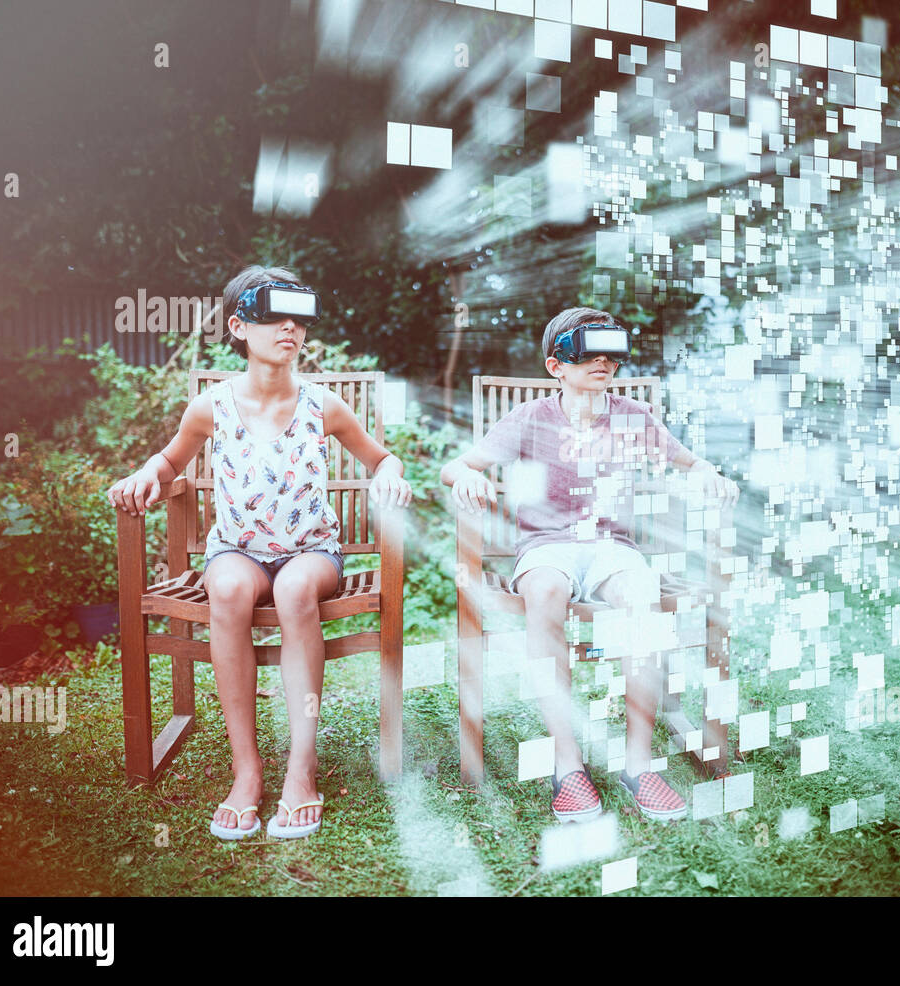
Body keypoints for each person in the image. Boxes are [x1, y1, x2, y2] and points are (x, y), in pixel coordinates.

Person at [107, 265, 412, 841]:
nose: (290, 329)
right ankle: (246, 770)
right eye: (275, 317)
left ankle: (302, 766)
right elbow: (170, 462)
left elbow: (382, 458)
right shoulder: (211, 406)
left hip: (311, 553)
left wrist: (391, 477)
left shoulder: (325, 405)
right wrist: (146, 474)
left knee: (295, 590)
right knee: (225, 590)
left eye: (299, 319)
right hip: (236, 552)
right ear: (239, 327)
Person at [440, 307, 738, 822]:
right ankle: (567, 763)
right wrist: (464, 476)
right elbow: (458, 464)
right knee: (546, 592)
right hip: (545, 548)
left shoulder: (632, 417)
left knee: (641, 595)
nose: (602, 361)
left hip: (611, 549)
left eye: (610, 351)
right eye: (586, 350)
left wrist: (711, 472)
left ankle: (640, 764)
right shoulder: (530, 418)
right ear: (556, 365)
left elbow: (690, 460)